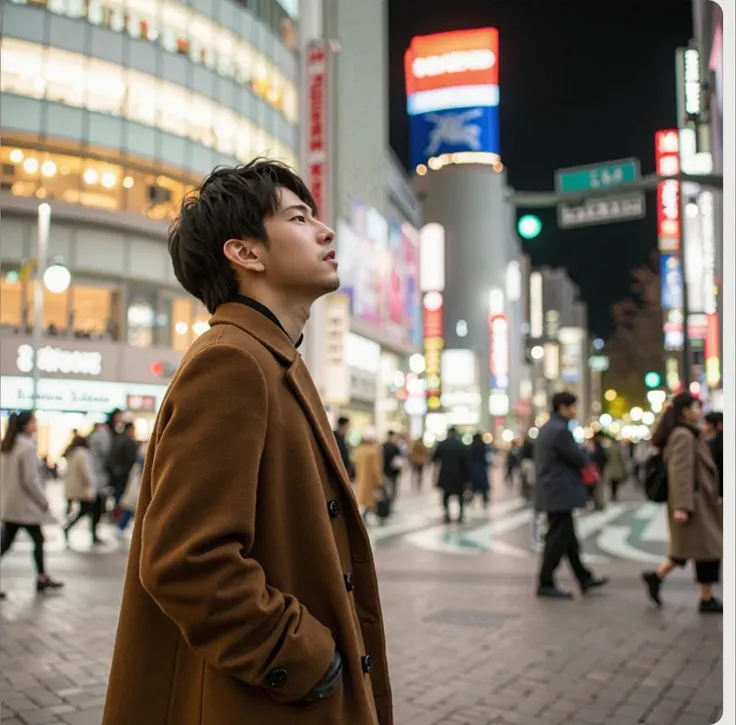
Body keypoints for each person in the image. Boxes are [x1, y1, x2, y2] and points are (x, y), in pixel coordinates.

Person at [102, 160, 392, 725]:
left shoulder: (267, 358)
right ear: (247, 254)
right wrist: (301, 656)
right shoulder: (233, 362)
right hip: (256, 704)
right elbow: (187, 560)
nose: (325, 231)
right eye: (299, 218)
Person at [641, 393, 722, 613]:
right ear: (685, 411)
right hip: (694, 504)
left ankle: (658, 577)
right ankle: (706, 597)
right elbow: (680, 473)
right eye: (696, 407)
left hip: (700, 502)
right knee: (708, 550)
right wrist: (682, 507)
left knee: (696, 549)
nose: (700, 411)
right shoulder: (683, 436)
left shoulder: (690, 434)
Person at [534, 392, 608, 599]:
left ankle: (583, 577)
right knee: (558, 538)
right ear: (562, 407)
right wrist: (586, 453)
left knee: (567, 538)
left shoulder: (549, 428)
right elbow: (576, 457)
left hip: (553, 491)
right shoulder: (559, 431)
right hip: (559, 491)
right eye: (572, 407)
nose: (574, 411)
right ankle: (545, 581)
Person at [0, 410, 64, 599]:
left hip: (11, 504)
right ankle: (42, 577)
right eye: (34, 421)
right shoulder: (26, 447)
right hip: (24, 506)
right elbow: (30, 480)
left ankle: (42, 576)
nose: (36, 425)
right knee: (35, 539)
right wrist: (43, 501)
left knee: (8, 543)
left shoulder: (8, 444)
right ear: (27, 424)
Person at [62, 434, 100, 545]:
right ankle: (91, 534)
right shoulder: (82, 454)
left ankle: (69, 527)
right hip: (83, 488)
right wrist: (91, 485)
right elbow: (87, 472)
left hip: (73, 487)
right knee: (89, 511)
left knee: (85, 511)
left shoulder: (71, 453)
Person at [433, 427, 470, 524]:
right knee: (460, 496)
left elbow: (434, 458)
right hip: (459, 475)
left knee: (446, 495)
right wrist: (468, 478)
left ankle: (447, 515)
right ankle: (461, 515)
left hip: (445, 474)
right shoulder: (461, 446)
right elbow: (466, 462)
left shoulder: (442, 445)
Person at [353, 427, 384, 522]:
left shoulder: (358, 451)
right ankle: (368, 518)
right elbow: (376, 469)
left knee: (362, 501)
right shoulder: (375, 451)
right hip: (371, 482)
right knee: (371, 502)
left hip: (361, 480)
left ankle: (363, 517)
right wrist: (379, 482)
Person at [468, 433, 491, 509]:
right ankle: (485, 501)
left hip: (473, 469)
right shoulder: (483, 447)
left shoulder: (471, 447)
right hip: (481, 469)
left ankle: (471, 501)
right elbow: (486, 458)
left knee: (473, 487)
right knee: (483, 487)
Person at [703, 411, 723, 498]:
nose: (705, 427)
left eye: (708, 424)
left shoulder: (719, 443)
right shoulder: (711, 441)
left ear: (718, 425)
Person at [603, 435, 627, 502]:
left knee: (612, 483)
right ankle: (614, 495)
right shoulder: (618, 449)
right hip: (617, 468)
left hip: (610, 468)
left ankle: (612, 495)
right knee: (616, 483)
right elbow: (622, 459)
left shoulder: (608, 449)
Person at [382, 431, 403, 502]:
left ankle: (387, 501)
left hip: (385, 470)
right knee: (393, 488)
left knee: (387, 487)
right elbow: (399, 459)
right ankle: (390, 501)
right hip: (393, 471)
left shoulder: (383, 446)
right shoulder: (395, 447)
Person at [333, 416, 354, 481]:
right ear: (343, 426)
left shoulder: (343, 439)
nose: (348, 429)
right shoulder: (334, 438)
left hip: (344, 473)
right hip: (337, 473)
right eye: (347, 427)